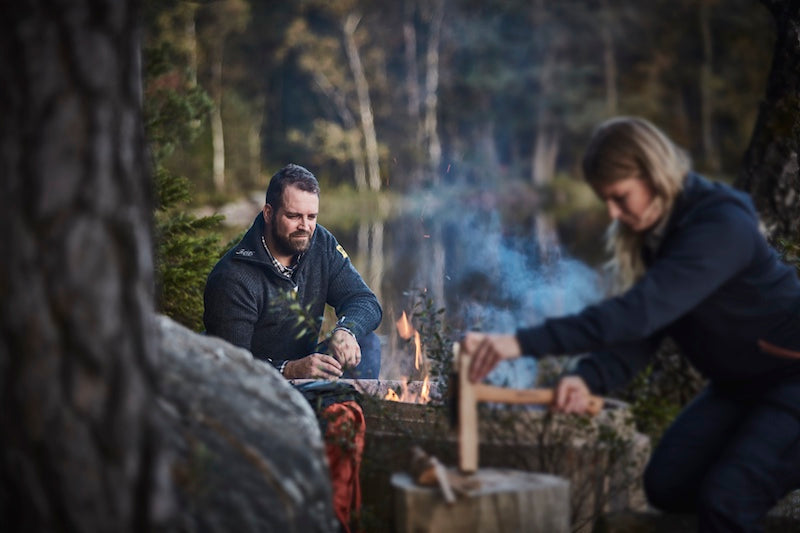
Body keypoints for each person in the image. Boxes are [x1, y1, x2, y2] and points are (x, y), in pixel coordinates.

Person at [463, 116, 800, 532]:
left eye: (620, 197)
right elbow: (646, 330)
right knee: (667, 485)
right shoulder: (661, 235)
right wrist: (589, 377)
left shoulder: (720, 226)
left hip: (793, 378)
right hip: (741, 387)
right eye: (605, 201)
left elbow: (638, 312)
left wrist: (520, 342)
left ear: (652, 172)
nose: (613, 213)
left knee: (726, 502)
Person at [204, 163, 382, 380]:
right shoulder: (233, 277)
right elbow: (232, 369)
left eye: (311, 217)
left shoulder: (321, 244)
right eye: (294, 216)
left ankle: (345, 409)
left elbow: (364, 300)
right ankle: (334, 408)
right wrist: (289, 369)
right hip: (259, 390)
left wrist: (346, 330)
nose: (305, 226)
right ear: (269, 213)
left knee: (367, 343)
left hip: (308, 373)